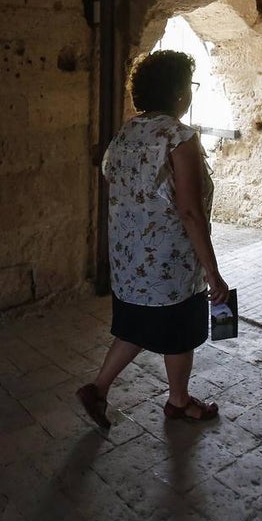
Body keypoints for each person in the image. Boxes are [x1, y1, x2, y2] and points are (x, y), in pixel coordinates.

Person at [77, 50, 230, 427]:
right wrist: (213, 274)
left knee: (135, 327)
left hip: (130, 262)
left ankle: (97, 388)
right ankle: (179, 402)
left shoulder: (125, 134)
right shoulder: (179, 138)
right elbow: (191, 213)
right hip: (170, 264)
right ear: (179, 92)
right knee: (180, 334)